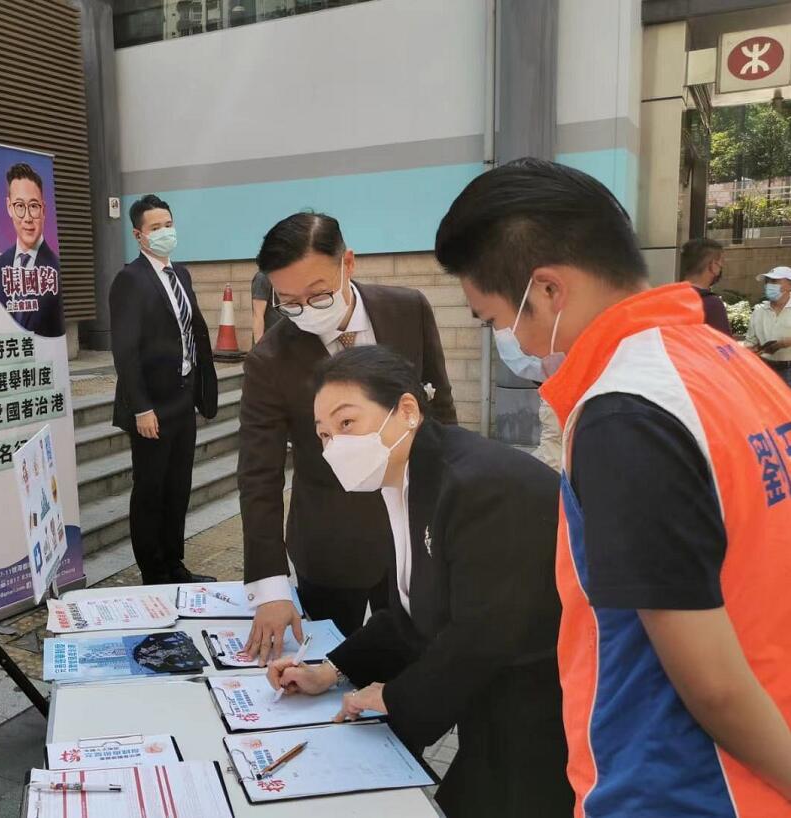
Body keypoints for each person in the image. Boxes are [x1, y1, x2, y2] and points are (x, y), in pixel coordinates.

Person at [438, 157, 791, 814]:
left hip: (684, 786)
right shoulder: (730, 363)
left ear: (546, 291)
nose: (503, 341)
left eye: (492, 319)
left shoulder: (626, 412)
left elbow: (709, 682)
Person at [267, 346, 571, 818]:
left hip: (542, 710)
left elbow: (482, 634)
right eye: (323, 435)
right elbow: (411, 613)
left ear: (406, 410)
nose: (335, 447)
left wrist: (392, 697)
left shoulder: (479, 486)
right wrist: (329, 670)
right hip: (490, 700)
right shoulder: (404, 481)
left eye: (347, 424)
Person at [239, 212, 456, 659]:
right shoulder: (271, 359)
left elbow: (442, 415)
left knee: (413, 659)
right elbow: (258, 474)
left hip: (417, 533)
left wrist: (454, 512)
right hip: (330, 544)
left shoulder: (407, 310)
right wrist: (270, 587)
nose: (307, 311)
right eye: (290, 302)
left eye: (318, 295)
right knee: (326, 666)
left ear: (348, 264)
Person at [109, 194, 219, 584]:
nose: (165, 232)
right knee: (151, 491)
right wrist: (141, 408)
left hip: (182, 400)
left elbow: (191, 332)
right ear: (139, 235)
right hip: (152, 407)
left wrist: (200, 392)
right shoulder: (130, 280)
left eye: (168, 224)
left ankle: (175, 565)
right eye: (156, 228)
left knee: (178, 489)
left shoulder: (181, 274)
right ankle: (153, 573)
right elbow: (125, 351)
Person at [0, 162, 64, 337]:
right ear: (9, 207)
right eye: (19, 206)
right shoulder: (0, 265)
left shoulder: (55, 267)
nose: (27, 218)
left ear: (43, 209)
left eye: (33, 206)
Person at [746, 266, 791, 387]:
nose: (768, 285)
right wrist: (751, 351)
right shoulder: (758, 311)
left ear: (789, 285)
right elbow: (750, 342)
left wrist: (783, 343)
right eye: (767, 282)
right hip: (765, 370)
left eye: (774, 281)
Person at [679, 237, 731, 335]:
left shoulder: (667, 298)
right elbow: (723, 346)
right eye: (721, 262)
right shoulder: (711, 303)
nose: (721, 267)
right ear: (712, 265)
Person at [250, 269, 281, 344]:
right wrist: (259, 346)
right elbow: (258, 315)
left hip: (284, 336)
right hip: (270, 339)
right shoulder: (262, 277)